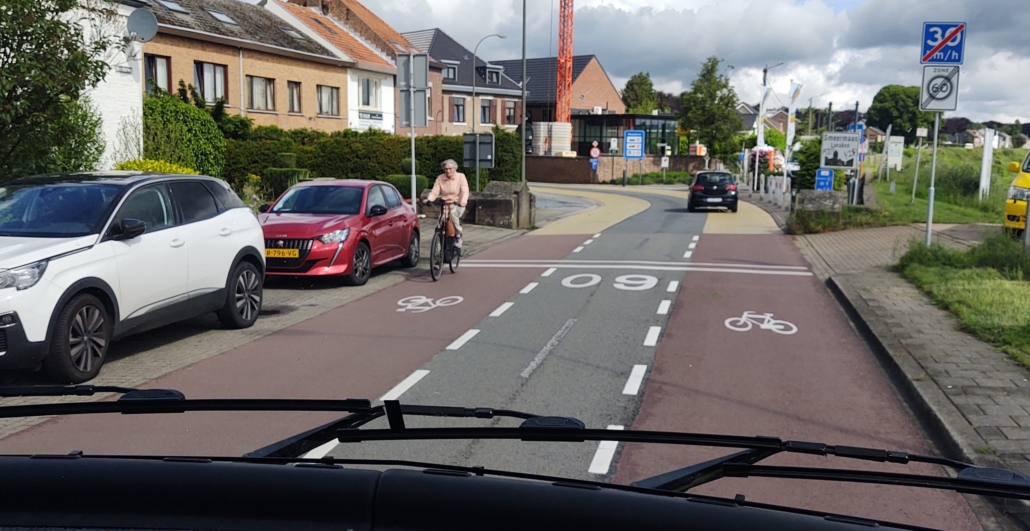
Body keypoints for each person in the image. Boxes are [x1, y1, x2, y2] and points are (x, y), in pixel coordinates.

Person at [424, 159, 470, 248]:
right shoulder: (440, 178)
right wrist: (429, 199)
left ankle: (458, 235)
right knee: (440, 222)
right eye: (446, 169)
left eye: (450, 169)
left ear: (455, 168)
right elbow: (435, 191)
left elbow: (465, 191)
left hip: (457, 204)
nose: (447, 171)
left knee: (452, 214)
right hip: (445, 205)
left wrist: (463, 201)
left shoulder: (461, 177)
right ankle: (439, 247)